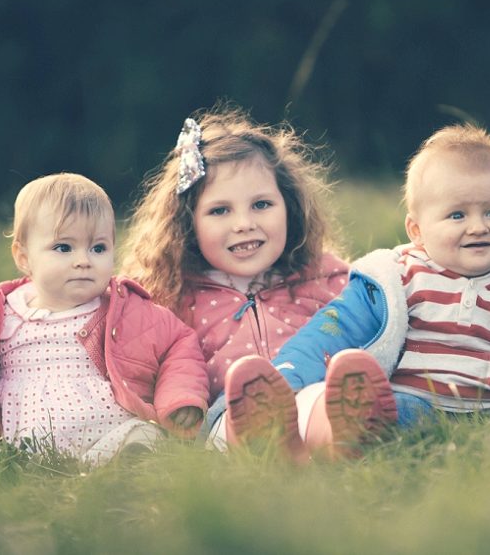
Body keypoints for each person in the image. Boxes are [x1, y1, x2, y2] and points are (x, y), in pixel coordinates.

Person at [225, 123, 490, 459]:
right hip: (416, 403)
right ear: (417, 230)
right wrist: (289, 378)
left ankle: (334, 439)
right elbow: (335, 327)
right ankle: (321, 432)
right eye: (457, 215)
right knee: (379, 407)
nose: (478, 227)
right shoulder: (400, 279)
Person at [0, 173, 209, 464]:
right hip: (28, 451)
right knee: (11, 466)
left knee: (143, 436)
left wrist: (179, 397)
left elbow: (179, 342)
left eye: (98, 248)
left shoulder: (124, 309)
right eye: (64, 248)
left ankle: (126, 467)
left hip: (110, 436)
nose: (83, 260)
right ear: (23, 257)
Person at [120, 103, 348, 457]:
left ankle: (339, 439)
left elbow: (366, 321)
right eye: (220, 210)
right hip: (227, 417)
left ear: (289, 205)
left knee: (319, 401)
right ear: (187, 224)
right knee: (237, 416)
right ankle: (275, 449)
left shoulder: (323, 278)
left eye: (261, 205)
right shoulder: (174, 298)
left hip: (306, 395)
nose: (243, 223)